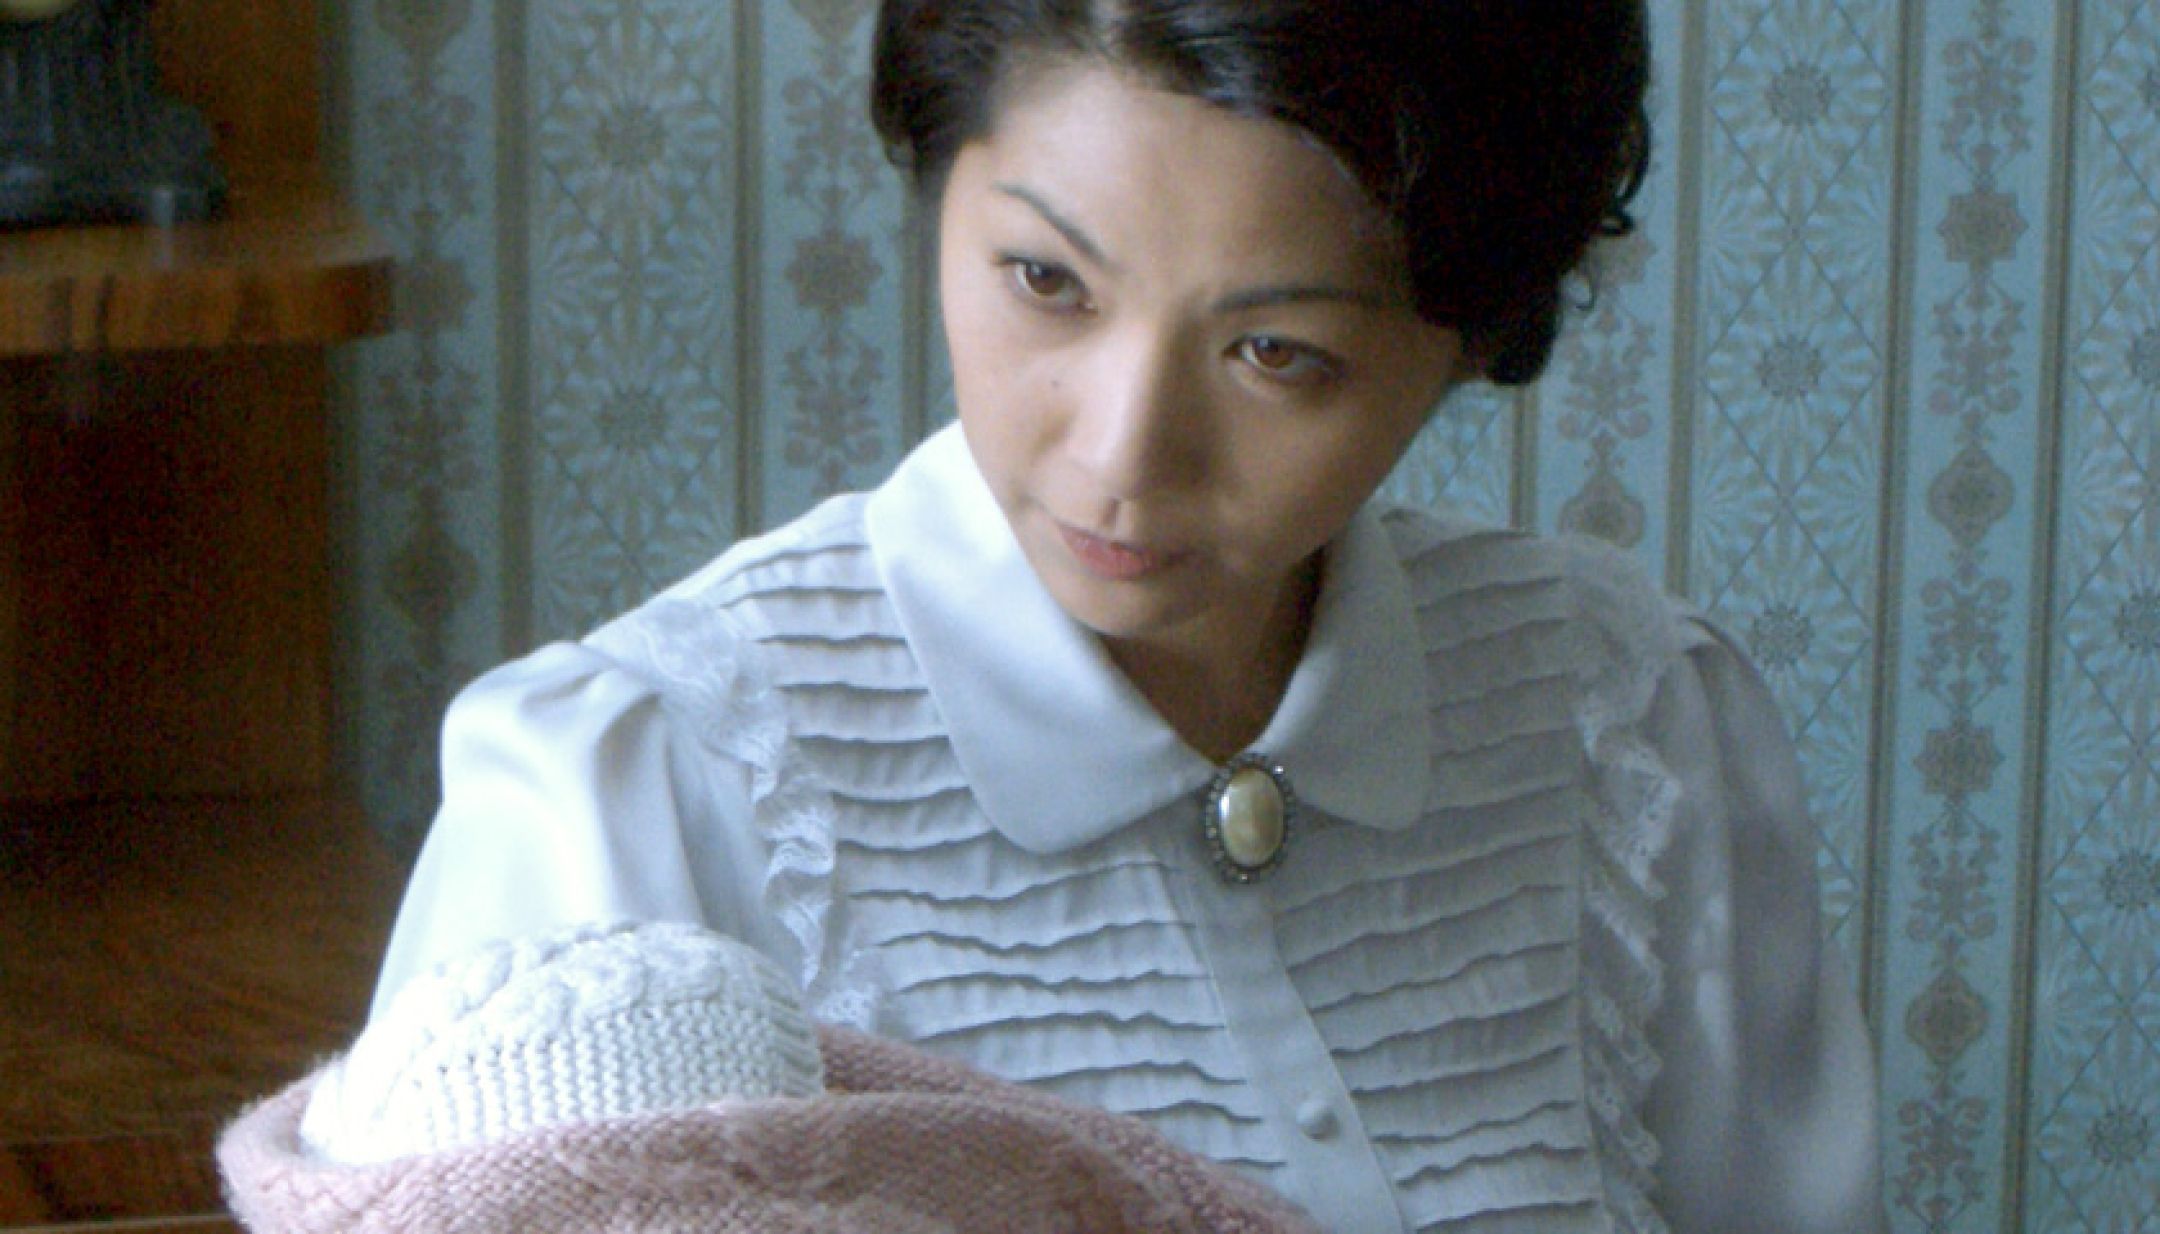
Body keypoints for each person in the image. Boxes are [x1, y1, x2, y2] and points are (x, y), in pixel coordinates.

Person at [371, 2, 1887, 1231]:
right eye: (1046, 280)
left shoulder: (1630, 728)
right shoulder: (642, 796)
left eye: (1277, 353)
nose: (1123, 456)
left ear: (1478, 334)